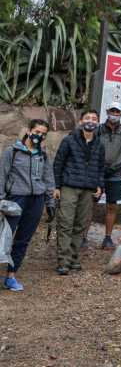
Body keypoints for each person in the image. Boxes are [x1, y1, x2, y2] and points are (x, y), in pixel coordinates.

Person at [0, 119, 54, 290]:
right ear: (29, 130)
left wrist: (50, 201)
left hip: (36, 201)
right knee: (4, 238)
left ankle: (11, 276)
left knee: (23, 240)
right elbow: (2, 175)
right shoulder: (12, 151)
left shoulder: (43, 155)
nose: (40, 136)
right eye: (37, 132)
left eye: (43, 134)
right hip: (15, 199)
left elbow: (48, 179)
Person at [53, 109, 105, 275]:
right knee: (65, 223)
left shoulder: (99, 143)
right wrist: (56, 186)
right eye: (87, 118)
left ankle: (73, 257)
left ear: (98, 123)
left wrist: (100, 185)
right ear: (81, 121)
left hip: (88, 189)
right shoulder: (69, 140)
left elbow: (101, 167)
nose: (91, 121)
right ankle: (63, 260)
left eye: (94, 118)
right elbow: (58, 163)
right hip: (69, 186)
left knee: (80, 225)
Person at [97, 102, 121, 250]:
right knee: (89, 203)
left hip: (115, 174)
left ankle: (107, 238)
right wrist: (100, 166)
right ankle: (83, 237)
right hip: (97, 172)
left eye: (117, 112)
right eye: (112, 111)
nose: (114, 114)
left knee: (112, 206)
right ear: (107, 111)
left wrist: (113, 167)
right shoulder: (98, 130)